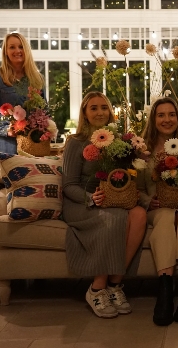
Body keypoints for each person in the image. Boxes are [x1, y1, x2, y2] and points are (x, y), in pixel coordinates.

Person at [62, 91, 147, 319]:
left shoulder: (118, 140)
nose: (100, 112)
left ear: (110, 112)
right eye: (94, 108)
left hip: (113, 200)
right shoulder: (75, 142)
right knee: (116, 217)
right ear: (85, 113)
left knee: (138, 215)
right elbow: (68, 185)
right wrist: (91, 198)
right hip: (80, 202)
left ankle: (114, 285)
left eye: (104, 107)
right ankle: (96, 289)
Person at [137, 97, 178, 326]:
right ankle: (164, 290)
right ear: (153, 119)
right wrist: (148, 201)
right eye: (161, 115)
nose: (167, 119)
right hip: (157, 209)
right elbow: (135, 189)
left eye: (171, 114)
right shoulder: (142, 152)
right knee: (166, 218)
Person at [0, 32, 44, 158]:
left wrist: (45, 129)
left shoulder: (36, 79)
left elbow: (44, 111)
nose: (17, 50)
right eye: (12, 47)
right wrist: (6, 129)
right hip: (1, 147)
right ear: (5, 52)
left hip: (29, 148)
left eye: (21, 47)